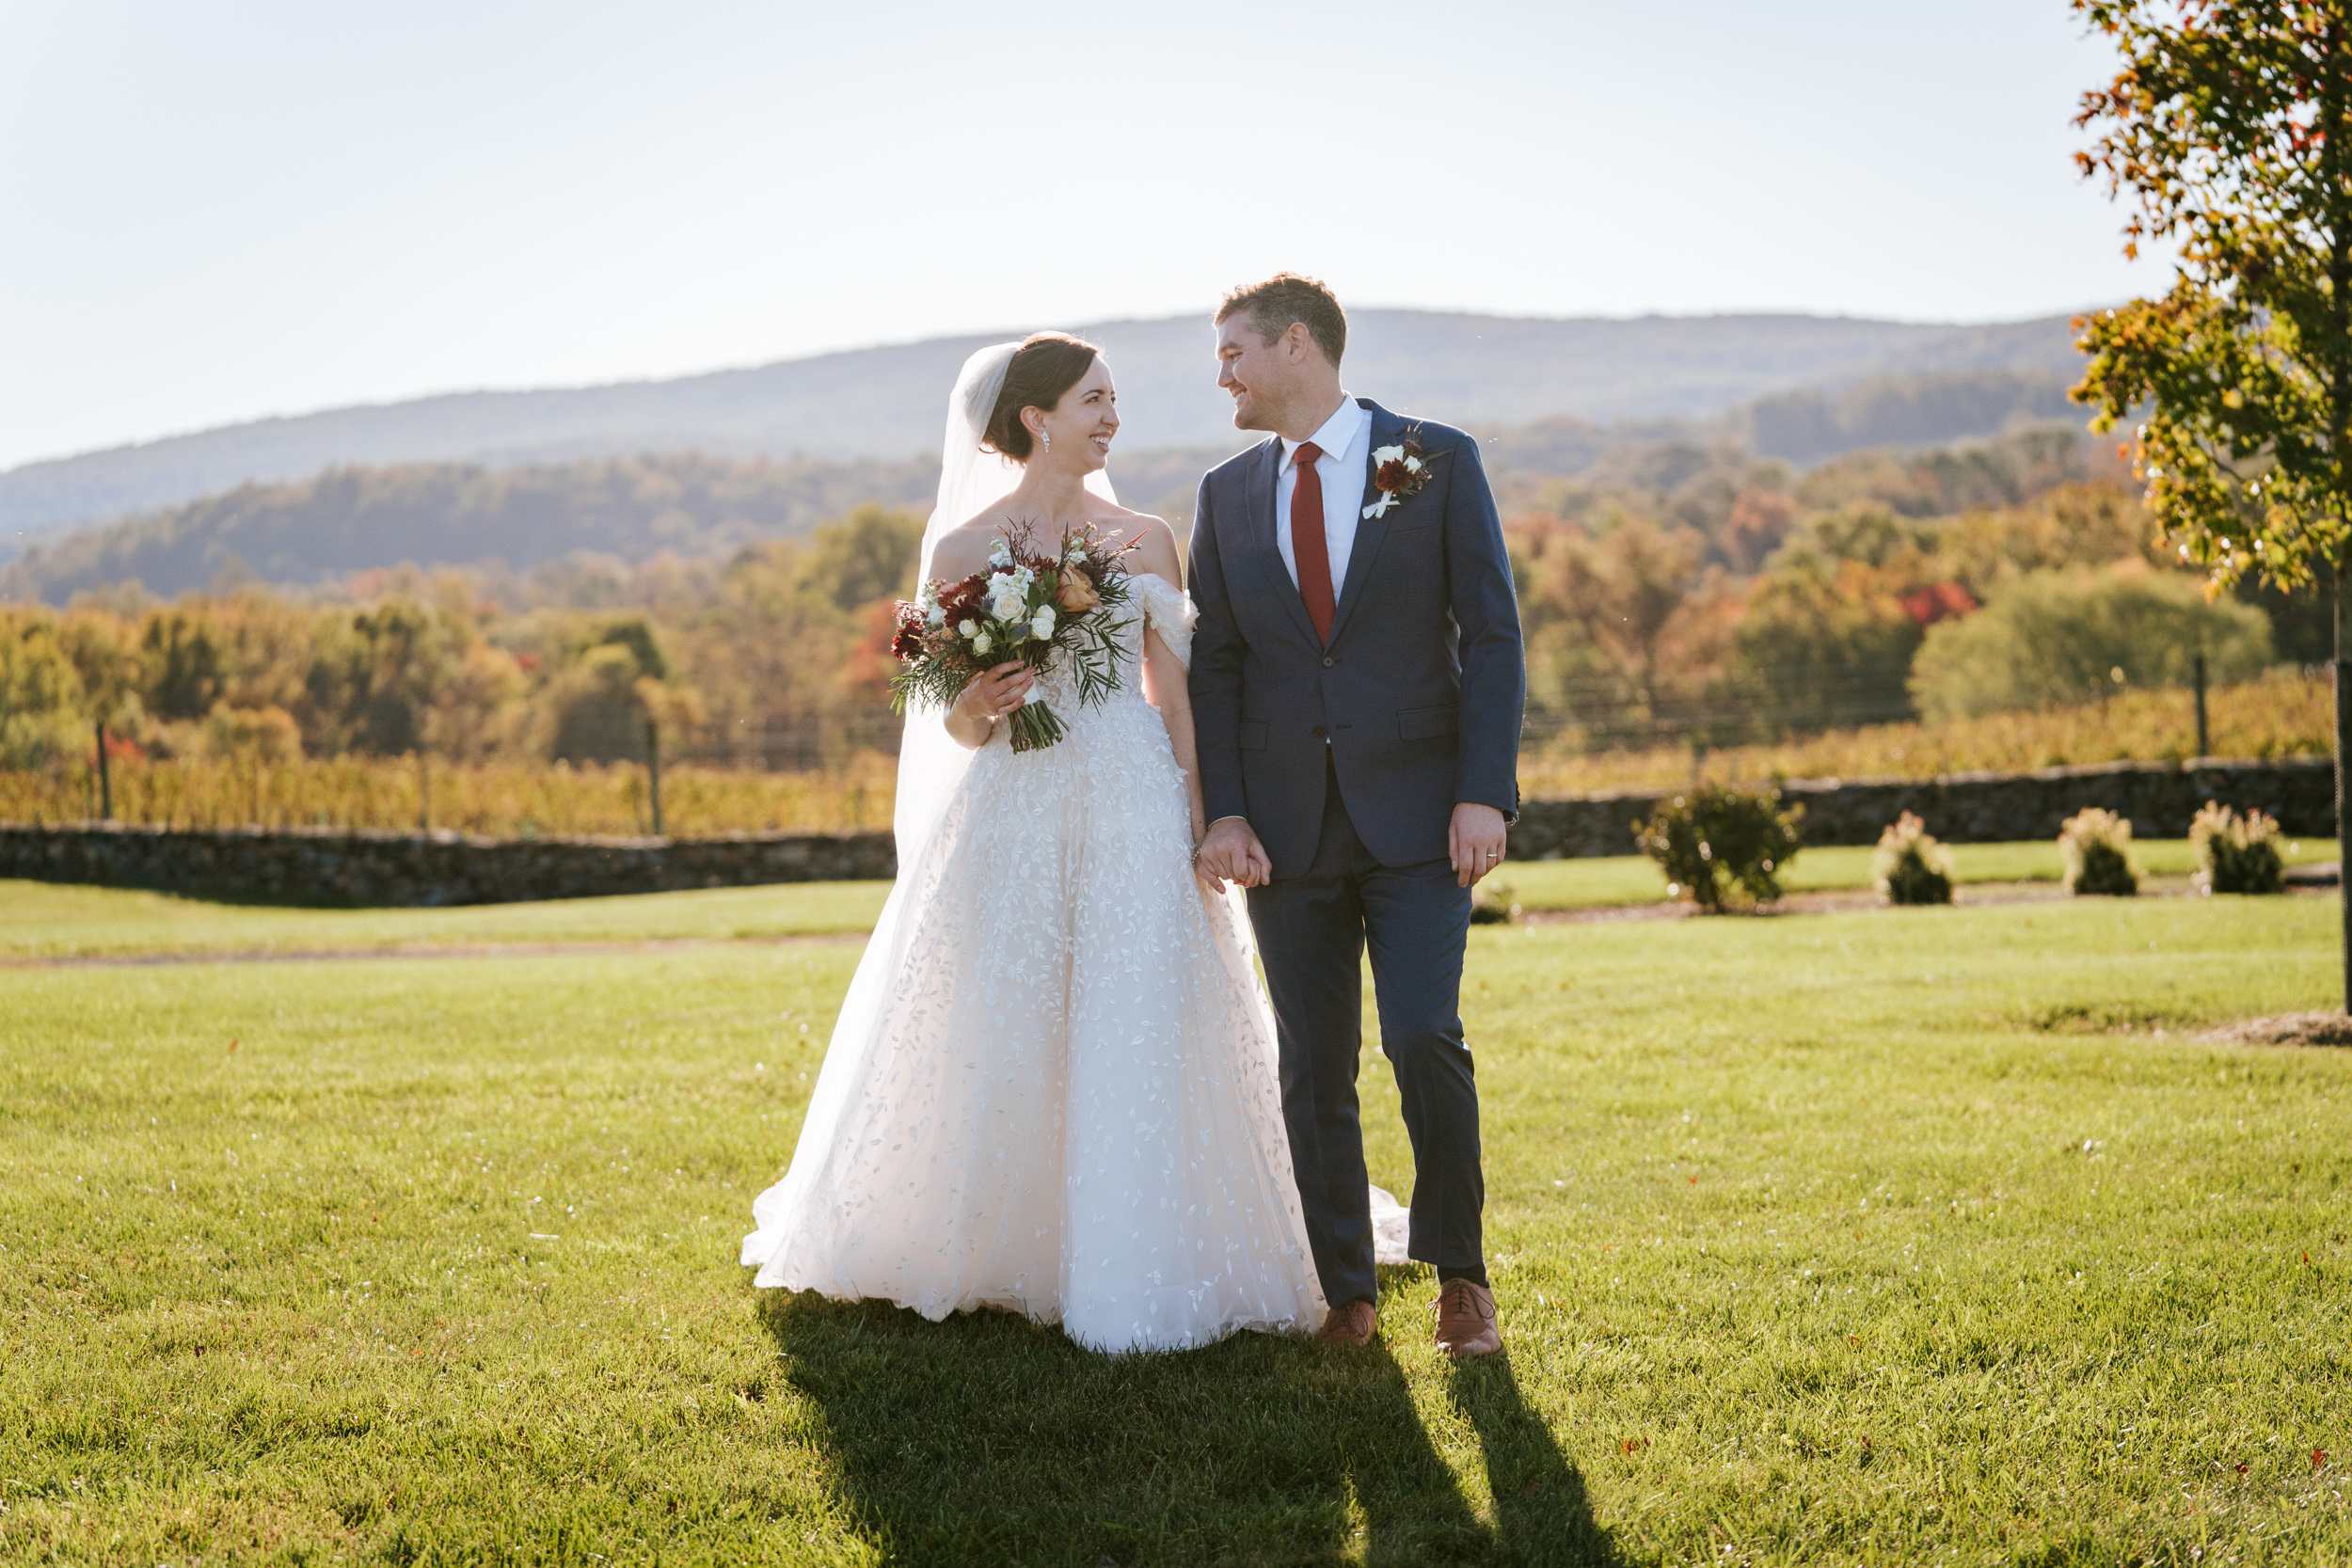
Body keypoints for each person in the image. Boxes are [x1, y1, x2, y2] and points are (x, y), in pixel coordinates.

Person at [742, 332, 1327, 1353]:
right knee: (1003, 1018)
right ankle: (1005, 1242)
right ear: (1034, 419)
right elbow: (955, 726)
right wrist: (975, 699)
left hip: (1133, 798)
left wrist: (1201, 822)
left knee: (1135, 1012)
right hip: (1011, 803)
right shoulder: (961, 552)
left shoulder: (1145, 537)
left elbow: (1176, 701)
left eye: (1114, 401)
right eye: (1094, 401)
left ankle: (1137, 1251)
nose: (1112, 419)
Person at [1187, 274, 1527, 1359]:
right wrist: (1227, 811)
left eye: (1233, 352)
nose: (1222, 374)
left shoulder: (1431, 458)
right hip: (1284, 833)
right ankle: (1346, 1291)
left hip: (1425, 818)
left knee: (1424, 1034)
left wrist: (1484, 789)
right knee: (1311, 1063)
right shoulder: (1225, 492)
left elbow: (1493, 634)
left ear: (1297, 345)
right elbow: (1220, 668)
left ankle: (1461, 1277)